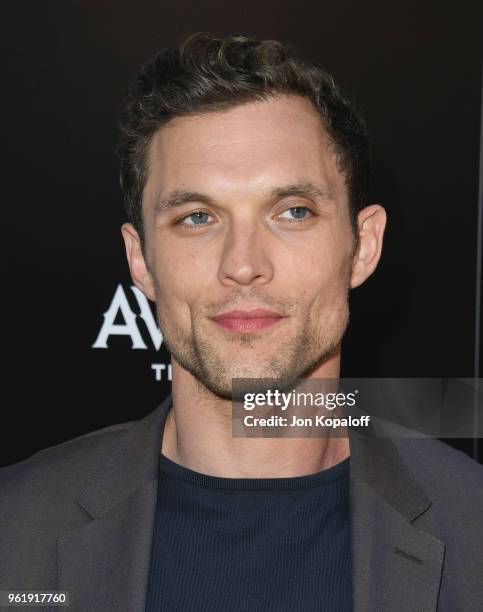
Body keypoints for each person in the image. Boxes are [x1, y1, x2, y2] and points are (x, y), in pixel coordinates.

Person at [1, 32, 482, 612]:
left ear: (363, 246)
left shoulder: (471, 527)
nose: (244, 265)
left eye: (293, 211)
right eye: (198, 217)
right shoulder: (15, 530)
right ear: (140, 260)